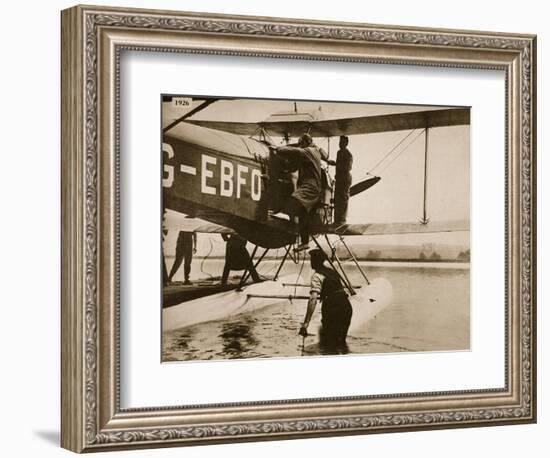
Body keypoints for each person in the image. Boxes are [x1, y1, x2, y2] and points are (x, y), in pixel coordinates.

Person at [271, 133, 323, 250]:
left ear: (305, 142)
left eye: (301, 143)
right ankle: (305, 242)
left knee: (295, 200)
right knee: (303, 215)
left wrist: (277, 149)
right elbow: (294, 168)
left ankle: (285, 214)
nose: (300, 146)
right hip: (313, 186)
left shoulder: (309, 151)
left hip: (311, 186)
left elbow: (296, 151)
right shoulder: (315, 152)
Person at [299, 249, 353, 352]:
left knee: (330, 345)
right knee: (341, 342)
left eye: (312, 259)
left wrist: (306, 323)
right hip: (346, 307)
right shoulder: (333, 272)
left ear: (315, 261)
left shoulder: (317, 276)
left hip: (332, 310)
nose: (310, 262)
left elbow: (313, 299)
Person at [333, 136, 353, 225]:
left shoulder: (348, 154)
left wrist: (336, 164)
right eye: (339, 142)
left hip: (345, 178)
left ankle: (342, 220)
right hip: (339, 178)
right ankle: (337, 220)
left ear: (346, 143)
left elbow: (348, 167)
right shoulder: (339, 152)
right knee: (337, 199)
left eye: (342, 142)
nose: (340, 144)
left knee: (343, 198)